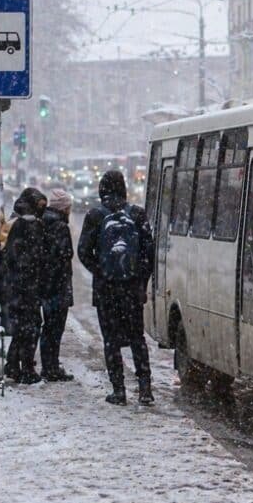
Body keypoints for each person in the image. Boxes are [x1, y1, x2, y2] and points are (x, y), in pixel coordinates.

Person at [78, 170, 155, 406]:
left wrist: (102, 271)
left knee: (110, 340)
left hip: (106, 291)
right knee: (136, 339)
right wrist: (139, 279)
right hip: (132, 289)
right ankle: (145, 389)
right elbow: (148, 253)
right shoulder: (137, 214)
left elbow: (83, 252)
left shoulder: (95, 215)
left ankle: (119, 390)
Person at [2, 187, 46, 384]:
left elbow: (12, 256)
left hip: (18, 286)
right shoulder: (31, 225)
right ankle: (25, 368)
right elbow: (31, 258)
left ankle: (13, 364)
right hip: (27, 287)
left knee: (23, 327)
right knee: (30, 326)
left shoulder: (19, 223)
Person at [39, 189, 75, 382]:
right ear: (64, 208)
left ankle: (49, 365)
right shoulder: (60, 226)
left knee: (48, 327)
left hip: (45, 285)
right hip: (57, 286)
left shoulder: (43, 221)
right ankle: (51, 366)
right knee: (55, 328)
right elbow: (65, 255)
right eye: (69, 207)